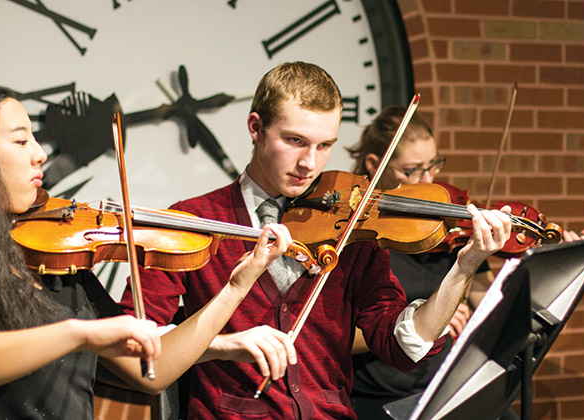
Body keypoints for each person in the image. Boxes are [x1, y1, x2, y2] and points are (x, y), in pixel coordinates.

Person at [120, 62, 512, 419]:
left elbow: (404, 346)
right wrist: (224, 344)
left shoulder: (353, 227)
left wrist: (464, 267)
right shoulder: (192, 220)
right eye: (295, 141)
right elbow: (134, 347)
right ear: (255, 128)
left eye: (325, 145)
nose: (310, 163)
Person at [0, 83, 291, 419]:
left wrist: (236, 287)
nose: (40, 154)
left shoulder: (59, 262)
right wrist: (78, 334)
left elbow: (151, 371)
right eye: (21, 140)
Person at [346, 105, 584, 419]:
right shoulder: (360, 235)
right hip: (381, 396)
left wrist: (553, 267)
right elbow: (340, 335)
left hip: (442, 385)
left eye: (433, 165)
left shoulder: (448, 228)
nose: (429, 179)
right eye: (412, 170)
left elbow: (492, 308)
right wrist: (429, 317)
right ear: (375, 164)